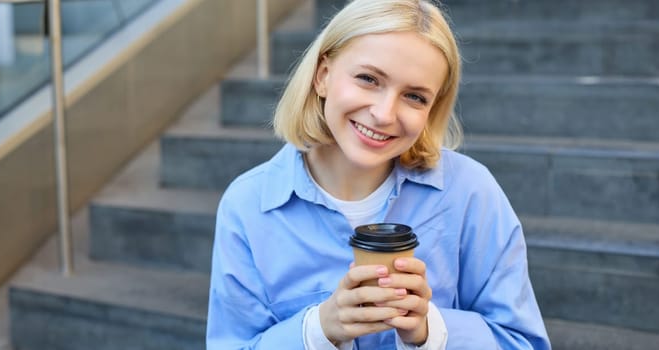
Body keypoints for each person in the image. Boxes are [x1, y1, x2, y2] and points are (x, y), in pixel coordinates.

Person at [206, 0, 550, 348]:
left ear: (431, 110)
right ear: (322, 75)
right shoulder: (248, 206)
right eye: (368, 79)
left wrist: (430, 331)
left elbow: (523, 342)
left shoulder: (470, 193)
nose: (385, 114)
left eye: (414, 97)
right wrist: (317, 330)